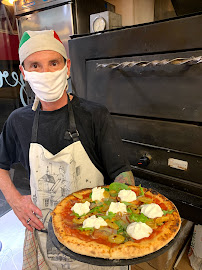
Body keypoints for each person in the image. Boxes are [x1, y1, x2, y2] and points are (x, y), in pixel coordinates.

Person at [0, 30, 135, 269]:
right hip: (46, 235)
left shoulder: (94, 115)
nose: (46, 73)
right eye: (35, 65)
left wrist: (123, 220)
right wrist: (16, 201)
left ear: (67, 66)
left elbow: (121, 174)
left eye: (54, 63)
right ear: (24, 72)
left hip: (96, 235)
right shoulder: (18, 121)